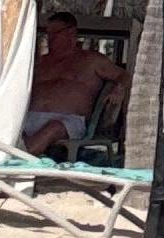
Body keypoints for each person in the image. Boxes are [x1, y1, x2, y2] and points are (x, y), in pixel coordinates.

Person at [20, 13, 129, 161]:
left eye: (55, 33)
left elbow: (124, 75)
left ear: (71, 32)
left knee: (54, 127)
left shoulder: (91, 60)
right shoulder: (40, 63)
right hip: (29, 119)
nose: (50, 38)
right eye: (48, 34)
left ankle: (19, 159)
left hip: (68, 121)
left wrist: (119, 89)